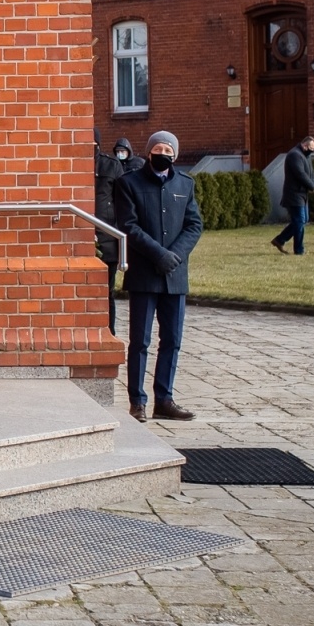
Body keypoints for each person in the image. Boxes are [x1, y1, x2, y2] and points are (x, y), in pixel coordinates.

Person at [115, 129, 202, 424]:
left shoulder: (185, 184)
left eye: (169, 150)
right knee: (140, 340)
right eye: (159, 148)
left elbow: (194, 225)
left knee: (172, 340)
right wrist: (158, 255)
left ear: (175, 155)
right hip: (144, 275)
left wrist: (174, 255)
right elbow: (129, 225)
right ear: (149, 151)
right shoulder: (129, 183)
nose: (163, 153)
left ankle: (164, 399)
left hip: (174, 276)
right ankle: (137, 401)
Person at [94, 129, 124, 335]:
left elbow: (123, 205)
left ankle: (108, 333)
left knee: (106, 293)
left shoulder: (111, 165)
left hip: (107, 239)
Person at [271, 135, 314, 255]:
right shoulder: (294, 155)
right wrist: (311, 186)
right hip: (294, 194)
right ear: (304, 145)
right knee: (300, 220)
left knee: (303, 220)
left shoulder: (305, 156)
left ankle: (280, 240)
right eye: (310, 147)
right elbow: (300, 174)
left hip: (302, 193)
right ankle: (299, 249)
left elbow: (310, 172)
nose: (311, 150)